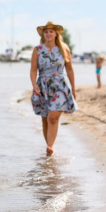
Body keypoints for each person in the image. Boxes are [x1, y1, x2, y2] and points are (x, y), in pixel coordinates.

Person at [30, 21, 76, 156]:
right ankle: (49, 146)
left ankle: (50, 146)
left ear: (56, 34)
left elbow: (70, 69)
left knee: (53, 117)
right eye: (46, 31)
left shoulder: (64, 48)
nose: (48, 33)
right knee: (44, 119)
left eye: (51, 31)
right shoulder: (37, 50)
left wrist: (73, 88)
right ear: (43, 35)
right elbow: (33, 70)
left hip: (59, 85)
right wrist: (34, 85)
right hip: (42, 85)